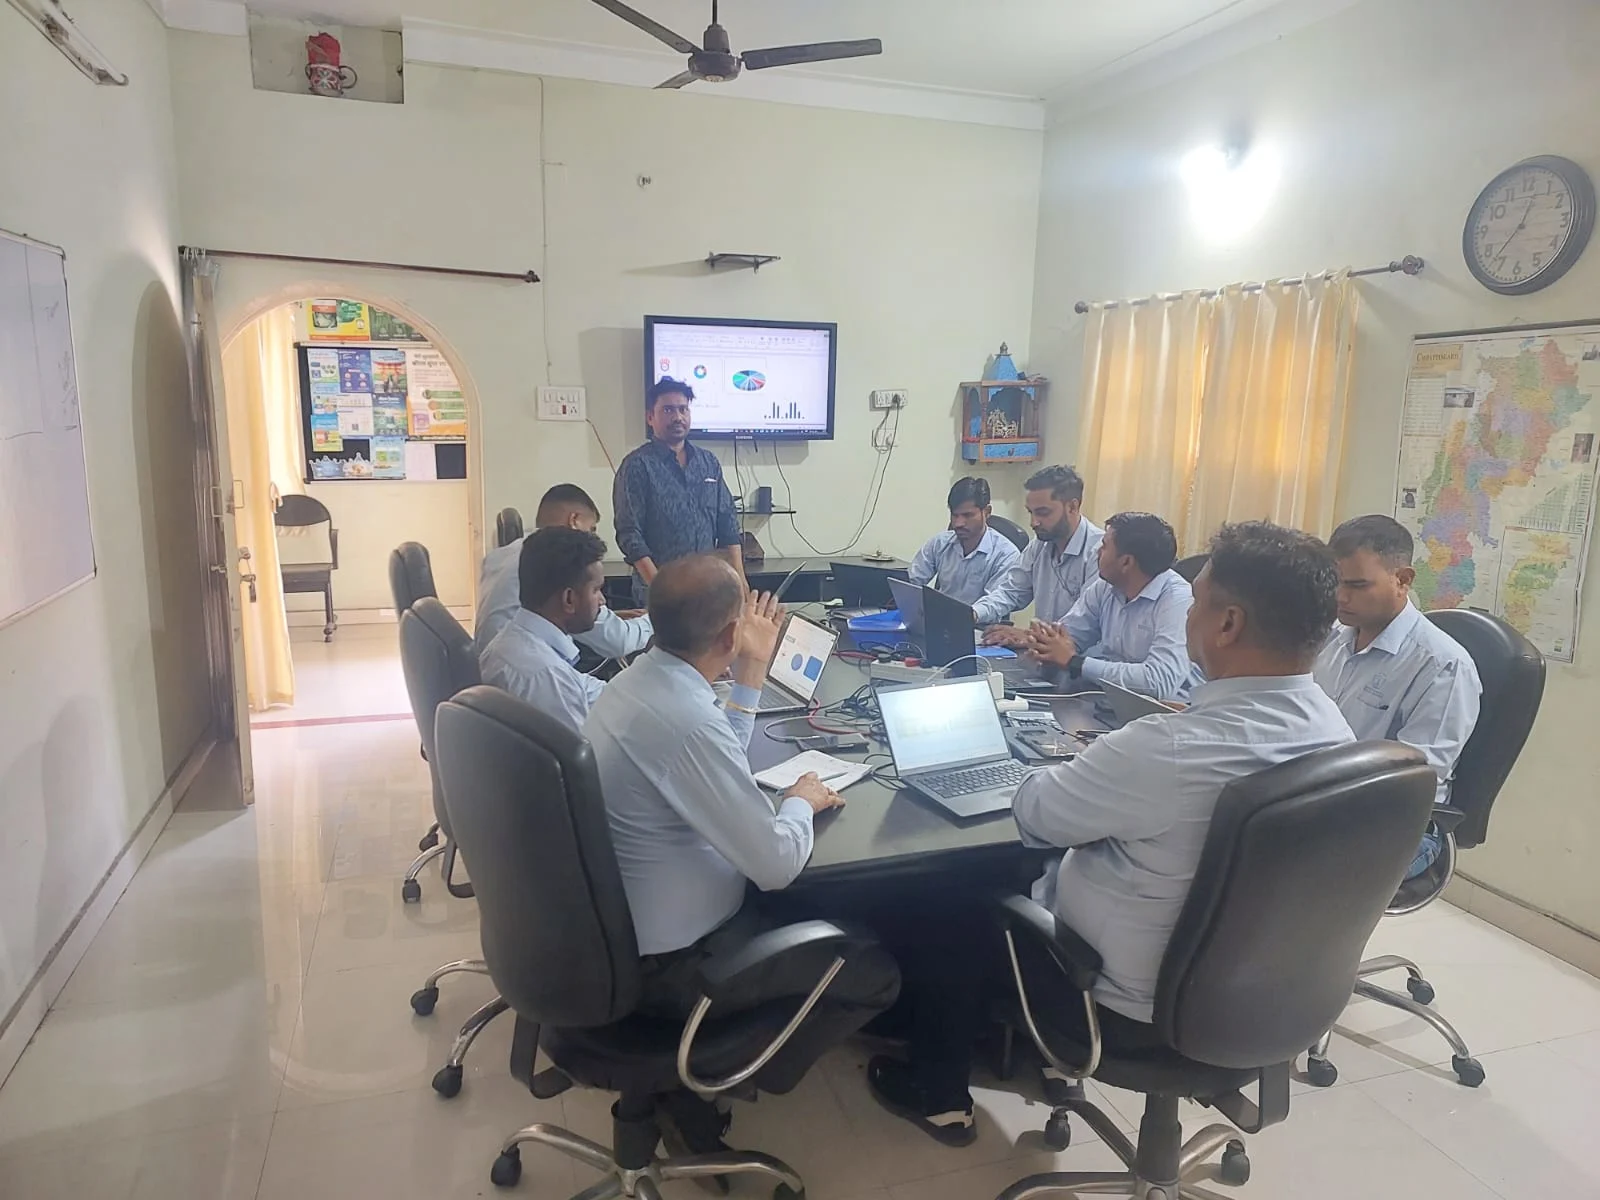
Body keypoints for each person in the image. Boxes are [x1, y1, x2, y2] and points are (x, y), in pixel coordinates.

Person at [866, 522, 1356, 1144]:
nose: (1187, 614)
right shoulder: (1337, 733)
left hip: (1117, 1006)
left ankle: (938, 1093)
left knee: (961, 888)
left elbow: (1035, 814)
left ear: (1228, 625)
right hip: (1268, 999)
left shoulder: (1166, 749)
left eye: (1197, 601)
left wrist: (1072, 765)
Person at [584, 555, 900, 1097]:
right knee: (876, 969)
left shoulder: (636, 680)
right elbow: (775, 866)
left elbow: (716, 751)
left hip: (620, 932)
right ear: (731, 633)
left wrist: (751, 671)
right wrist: (799, 801)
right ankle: (735, 1078)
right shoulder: (687, 720)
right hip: (674, 966)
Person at [1314, 515, 1481, 878]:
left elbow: (1415, 780)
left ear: (1402, 580)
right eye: (1335, 582)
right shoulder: (1332, 638)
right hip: (1320, 797)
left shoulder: (1442, 664)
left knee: (1284, 868)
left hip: (1398, 823)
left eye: (1357, 585)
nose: (1340, 597)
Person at [1025, 511, 1202, 703]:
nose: (1097, 552)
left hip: (1167, 711)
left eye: (1104, 546)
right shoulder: (1106, 586)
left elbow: (1158, 682)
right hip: (1108, 700)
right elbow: (1069, 635)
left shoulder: (1177, 601)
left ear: (1126, 562)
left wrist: (1075, 662)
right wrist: (1044, 645)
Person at [474, 484, 653, 657]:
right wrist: (656, 617)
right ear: (574, 520)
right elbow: (619, 640)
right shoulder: (559, 561)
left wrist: (611, 615)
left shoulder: (500, 556)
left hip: (490, 662)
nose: (593, 537)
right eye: (591, 529)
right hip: (527, 663)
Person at [613, 378, 743, 607]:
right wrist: (661, 589)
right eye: (668, 410)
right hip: (658, 591)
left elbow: (728, 524)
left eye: (683, 409)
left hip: (707, 586)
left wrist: (739, 580)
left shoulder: (708, 462)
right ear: (650, 417)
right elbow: (630, 534)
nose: (678, 417)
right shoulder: (637, 465)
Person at [479, 527, 609, 733]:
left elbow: (583, 687)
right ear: (569, 599)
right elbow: (584, 749)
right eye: (596, 590)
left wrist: (634, 695)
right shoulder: (545, 676)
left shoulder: (514, 638)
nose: (602, 600)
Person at [980, 465, 1102, 634]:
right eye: (1031, 512)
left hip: (1077, 650)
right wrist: (973, 613)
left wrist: (1028, 636)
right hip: (1040, 646)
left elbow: (1084, 622)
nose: (1033, 522)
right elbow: (1010, 591)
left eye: (1043, 513)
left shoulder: (1099, 551)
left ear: (1072, 507)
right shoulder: (1040, 544)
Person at [907, 477, 1022, 619]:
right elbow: (913, 581)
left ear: (987, 511)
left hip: (979, 626)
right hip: (939, 620)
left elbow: (995, 601)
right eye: (955, 515)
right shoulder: (940, 543)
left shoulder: (1006, 554)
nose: (958, 523)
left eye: (967, 515)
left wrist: (967, 616)